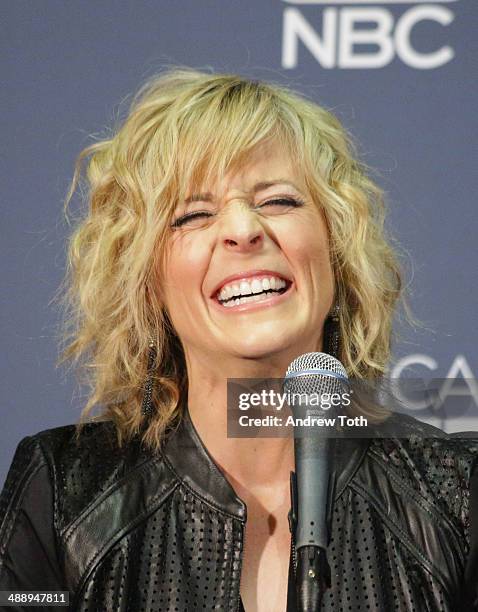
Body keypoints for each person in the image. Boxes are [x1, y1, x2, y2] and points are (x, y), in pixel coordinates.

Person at [0, 68, 477, 612]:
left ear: (336, 248)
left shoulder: (457, 493)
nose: (243, 229)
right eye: (194, 214)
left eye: (278, 201)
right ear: (145, 279)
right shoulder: (64, 496)